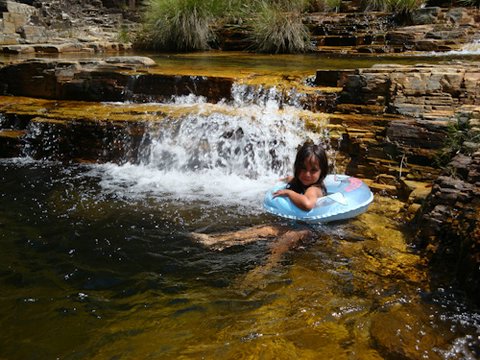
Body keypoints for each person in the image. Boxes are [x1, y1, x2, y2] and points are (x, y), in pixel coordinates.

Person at [191, 142, 329, 282]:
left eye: (313, 170)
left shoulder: (314, 189)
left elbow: (307, 204)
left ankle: (262, 270)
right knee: (265, 229)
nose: (307, 174)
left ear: (322, 171)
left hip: (309, 229)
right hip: (297, 223)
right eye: (303, 168)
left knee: (281, 244)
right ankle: (218, 240)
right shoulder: (301, 181)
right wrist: (285, 180)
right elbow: (292, 179)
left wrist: (289, 193)